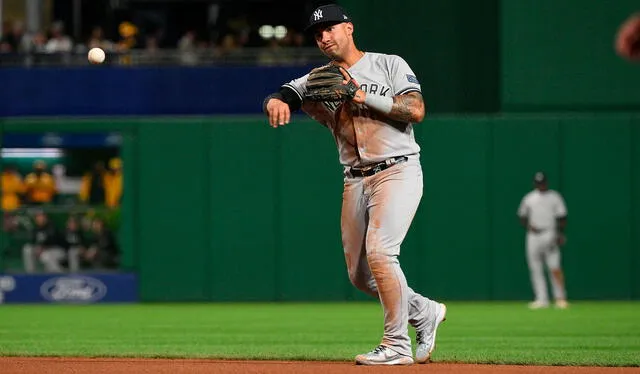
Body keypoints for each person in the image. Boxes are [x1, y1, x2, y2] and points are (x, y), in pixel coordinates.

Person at [262, 4, 446, 366]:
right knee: (361, 275)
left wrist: (361, 96)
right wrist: (276, 102)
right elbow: (287, 92)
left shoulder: (389, 64)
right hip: (355, 180)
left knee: (380, 253)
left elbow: (416, 110)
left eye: (329, 29)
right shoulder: (321, 77)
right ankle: (423, 311)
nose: (324, 37)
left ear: (349, 28)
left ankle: (396, 344)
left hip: (397, 170)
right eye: (317, 34)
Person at [517, 172, 569, 310]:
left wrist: (560, 234)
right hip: (533, 235)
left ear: (546, 183)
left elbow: (562, 217)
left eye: (542, 182)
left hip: (549, 232)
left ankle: (560, 298)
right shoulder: (529, 198)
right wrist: (528, 225)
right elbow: (522, 215)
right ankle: (541, 299)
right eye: (538, 183)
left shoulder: (554, 197)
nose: (541, 185)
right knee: (535, 268)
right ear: (534, 183)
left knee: (554, 266)